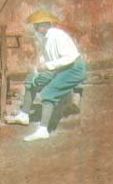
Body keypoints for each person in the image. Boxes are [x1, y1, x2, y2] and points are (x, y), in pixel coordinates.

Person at [5, 10, 87, 141]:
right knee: (32, 79)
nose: (34, 28)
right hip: (58, 68)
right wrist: (38, 69)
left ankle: (43, 130)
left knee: (49, 93)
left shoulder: (58, 36)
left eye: (36, 25)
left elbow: (70, 58)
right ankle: (24, 115)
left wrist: (49, 66)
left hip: (73, 69)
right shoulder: (43, 37)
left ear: (44, 25)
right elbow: (44, 56)